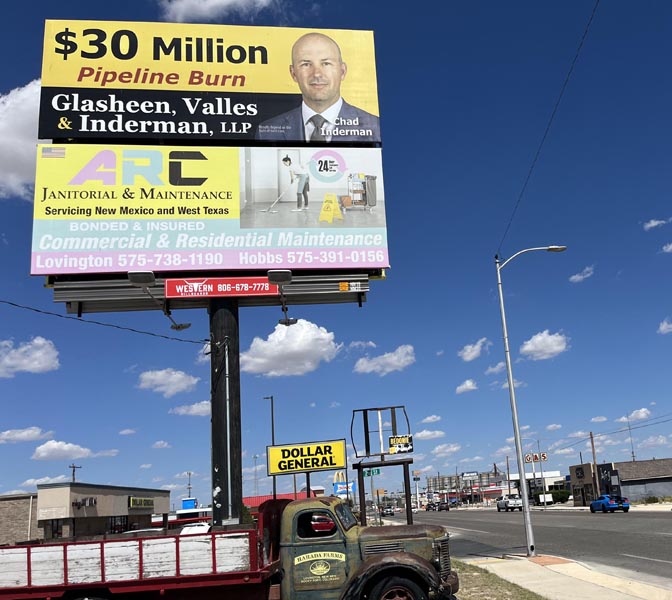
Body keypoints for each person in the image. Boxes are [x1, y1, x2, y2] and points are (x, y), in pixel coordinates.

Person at [256, 32, 380, 143]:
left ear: (342, 71)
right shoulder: (267, 132)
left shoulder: (375, 128)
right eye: (306, 64)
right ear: (293, 73)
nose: (316, 73)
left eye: (326, 63)